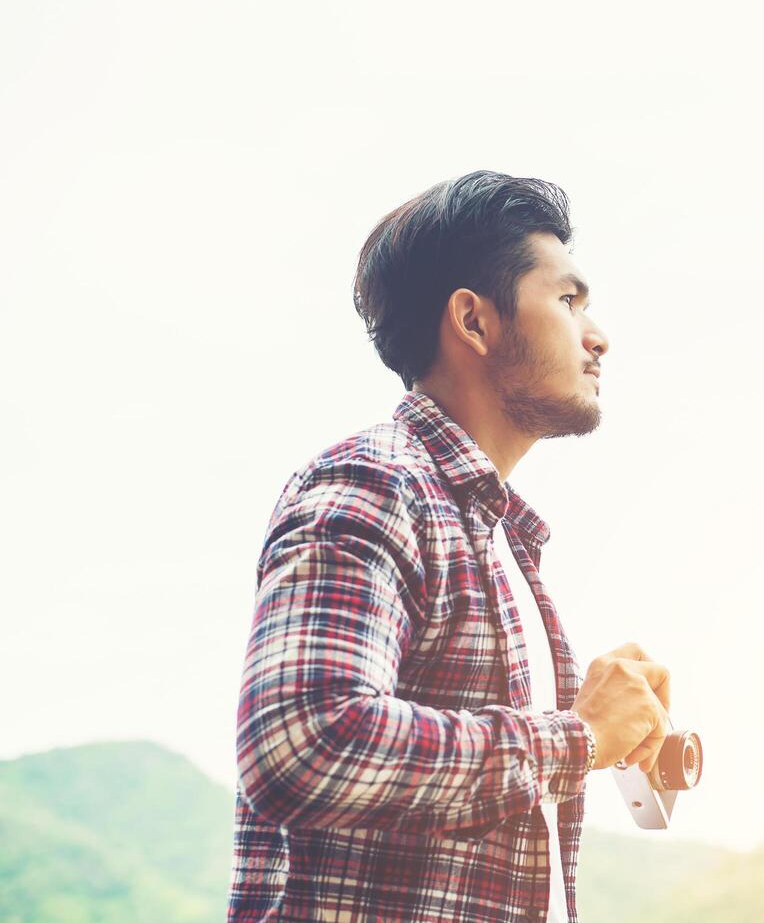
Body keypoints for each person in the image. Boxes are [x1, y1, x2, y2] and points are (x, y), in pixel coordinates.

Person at [229, 171, 672, 922]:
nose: (597, 335)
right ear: (473, 321)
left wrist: (604, 735)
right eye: (568, 301)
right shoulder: (375, 481)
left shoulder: (500, 540)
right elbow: (304, 740)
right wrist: (580, 736)